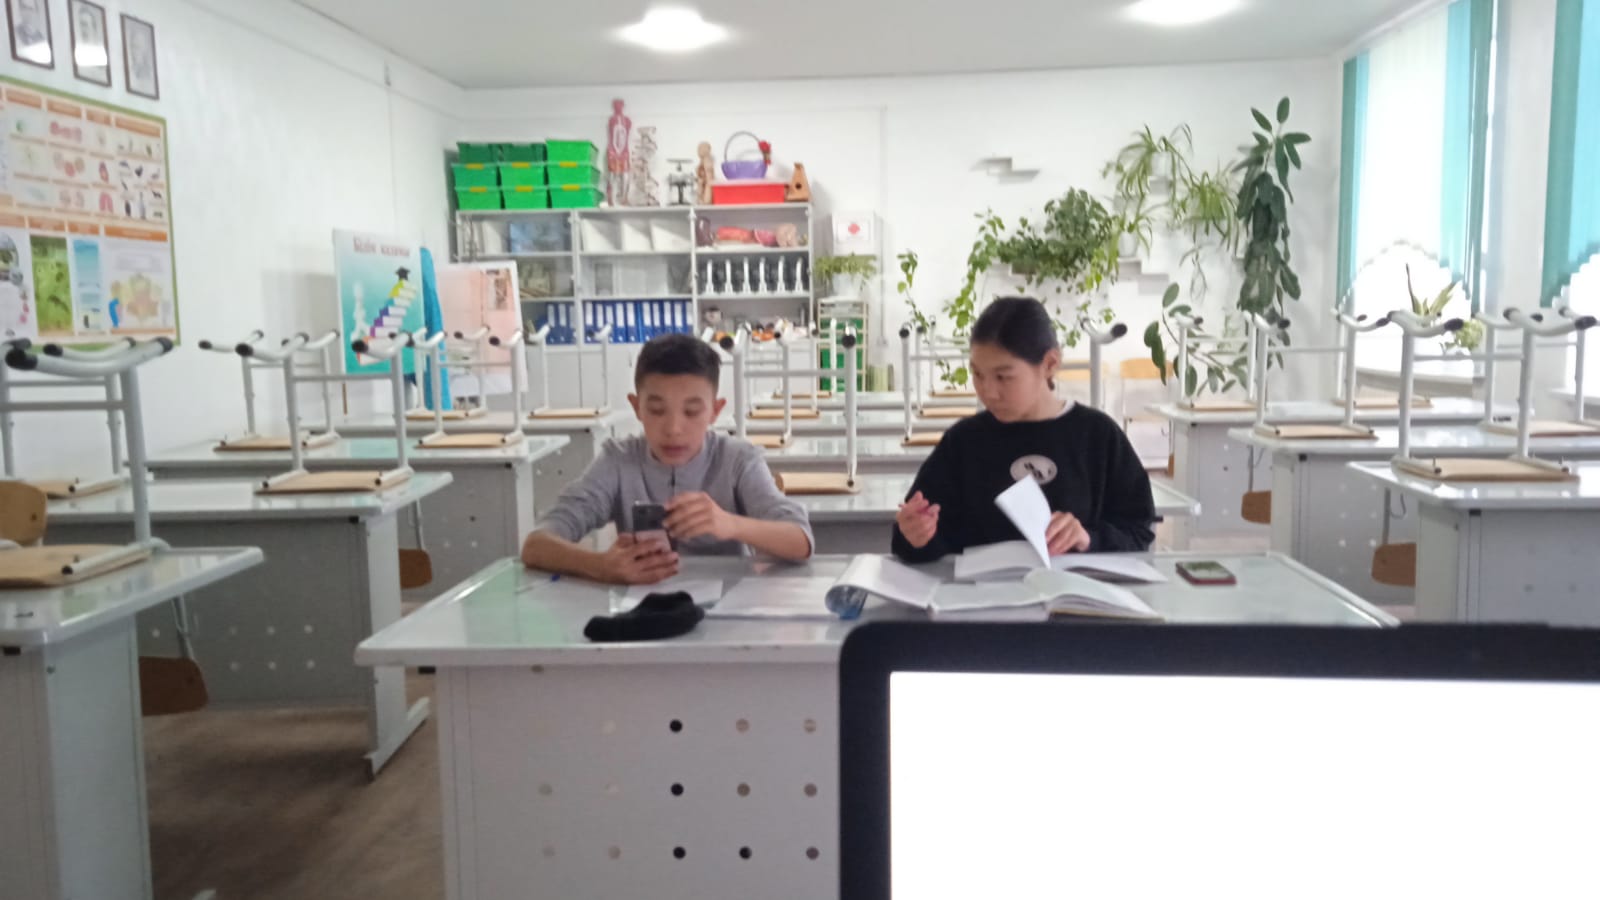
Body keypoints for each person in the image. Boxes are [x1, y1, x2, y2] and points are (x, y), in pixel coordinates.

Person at [522, 333, 814, 584]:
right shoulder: (618, 461)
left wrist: (730, 524)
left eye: (692, 412)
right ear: (636, 407)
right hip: (644, 614)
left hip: (728, 614)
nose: (674, 429)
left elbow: (801, 540)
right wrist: (600, 565)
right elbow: (536, 544)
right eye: (657, 410)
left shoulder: (738, 459)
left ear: (715, 411)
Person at [892, 297, 1156, 563]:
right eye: (978, 374)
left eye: (1003, 377)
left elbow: (1138, 531)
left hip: (1075, 588)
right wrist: (915, 535)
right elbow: (917, 537)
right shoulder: (963, 441)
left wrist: (1088, 538)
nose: (988, 391)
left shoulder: (1098, 436)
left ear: (1050, 364)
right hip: (983, 588)